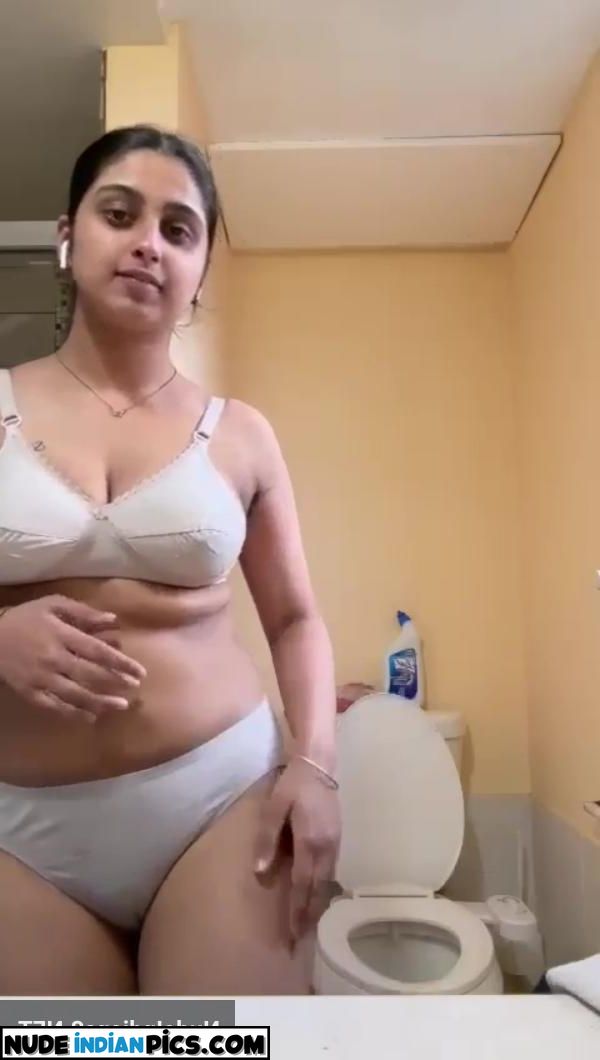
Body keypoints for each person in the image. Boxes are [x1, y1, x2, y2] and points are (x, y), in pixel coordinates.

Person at [0, 124, 340, 996]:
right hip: (21, 833)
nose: (149, 242)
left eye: (179, 230)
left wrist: (315, 767)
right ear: (69, 236)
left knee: (214, 1050)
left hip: (222, 804)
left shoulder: (242, 435)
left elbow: (296, 619)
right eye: (120, 214)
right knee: (75, 1053)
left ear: (198, 272)